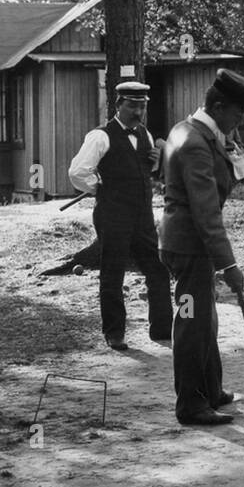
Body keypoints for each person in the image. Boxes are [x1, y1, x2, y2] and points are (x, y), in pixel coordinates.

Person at [159, 68, 244, 426]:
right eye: (237, 114)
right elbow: (206, 212)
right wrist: (229, 265)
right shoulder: (194, 144)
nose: (240, 122)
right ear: (218, 106)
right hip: (188, 246)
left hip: (190, 243)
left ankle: (210, 389)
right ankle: (190, 403)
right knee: (191, 323)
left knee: (206, 318)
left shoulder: (194, 130)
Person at [68, 81, 173, 352]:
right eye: (132, 105)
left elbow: (147, 172)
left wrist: (156, 161)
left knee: (157, 269)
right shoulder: (100, 136)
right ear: (118, 105)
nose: (138, 112)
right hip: (113, 215)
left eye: (142, 106)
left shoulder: (147, 136)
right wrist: (99, 187)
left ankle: (162, 329)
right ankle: (115, 333)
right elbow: (77, 172)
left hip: (142, 216)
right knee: (112, 273)